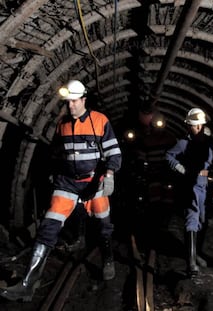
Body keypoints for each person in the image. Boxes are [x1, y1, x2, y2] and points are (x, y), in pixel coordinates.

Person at [0, 80, 122, 302]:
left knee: (104, 226)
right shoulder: (62, 124)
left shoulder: (99, 121)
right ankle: (28, 284)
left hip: (94, 184)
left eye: (74, 101)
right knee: (48, 227)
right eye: (67, 102)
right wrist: (53, 171)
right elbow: (55, 153)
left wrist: (110, 174)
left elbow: (114, 153)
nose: (70, 106)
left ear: (84, 100)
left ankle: (108, 260)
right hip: (67, 184)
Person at [165, 108, 213, 277]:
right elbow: (169, 156)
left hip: (205, 184)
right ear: (188, 126)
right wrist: (181, 168)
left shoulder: (209, 141)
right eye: (194, 126)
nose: (198, 128)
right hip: (191, 184)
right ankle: (191, 263)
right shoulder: (183, 143)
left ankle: (196, 253)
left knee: (203, 220)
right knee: (192, 218)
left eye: (200, 125)